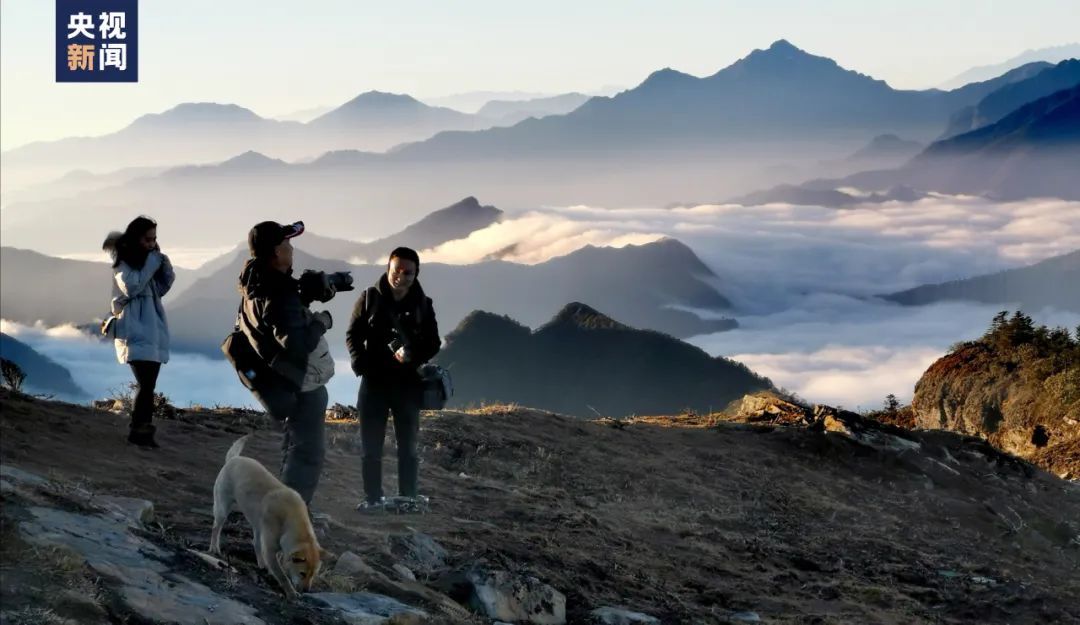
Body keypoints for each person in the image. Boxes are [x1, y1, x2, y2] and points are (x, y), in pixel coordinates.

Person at [234, 221, 343, 505]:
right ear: (275, 252)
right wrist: (321, 322)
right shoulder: (277, 294)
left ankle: (281, 511)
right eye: (287, 244)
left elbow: (278, 318)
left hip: (282, 381)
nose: (292, 248)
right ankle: (291, 521)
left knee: (293, 447)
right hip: (303, 384)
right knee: (308, 454)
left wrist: (309, 293)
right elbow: (296, 345)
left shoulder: (255, 282)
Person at [346, 247, 440, 511]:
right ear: (388, 268)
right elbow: (352, 335)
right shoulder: (368, 298)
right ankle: (372, 498)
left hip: (407, 384)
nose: (401, 276)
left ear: (416, 274)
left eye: (408, 272)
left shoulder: (423, 304)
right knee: (371, 447)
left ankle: (408, 496)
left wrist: (412, 356)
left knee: (408, 446)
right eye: (397, 270)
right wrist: (360, 363)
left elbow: (434, 343)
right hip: (373, 382)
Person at [102, 216, 175, 448]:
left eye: (154, 239)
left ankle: (142, 430)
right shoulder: (123, 262)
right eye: (148, 239)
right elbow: (132, 286)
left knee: (149, 383)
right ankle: (139, 431)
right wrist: (153, 263)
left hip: (152, 327)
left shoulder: (146, 260)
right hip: (135, 326)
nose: (152, 244)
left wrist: (165, 266)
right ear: (136, 238)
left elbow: (161, 288)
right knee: (146, 383)